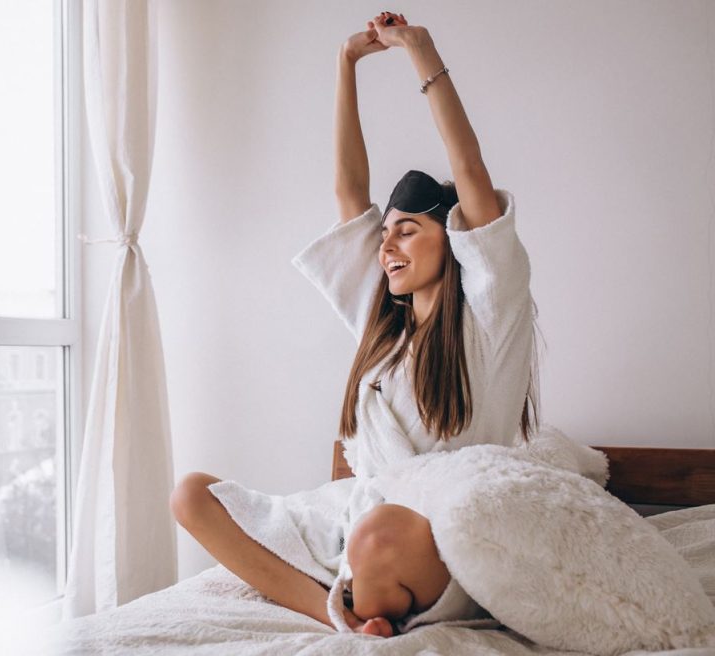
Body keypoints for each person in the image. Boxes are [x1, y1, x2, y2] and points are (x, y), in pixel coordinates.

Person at [170, 11, 541, 639]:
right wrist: (345, 65)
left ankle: (358, 590)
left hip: (435, 539)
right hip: (362, 521)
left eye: (407, 229)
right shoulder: (383, 325)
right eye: (386, 230)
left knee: (377, 536)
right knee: (191, 495)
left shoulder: (491, 316)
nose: (387, 243)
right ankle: (334, 612)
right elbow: (348, 192)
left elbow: (471, 173)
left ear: (453, 242)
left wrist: (421, 53)